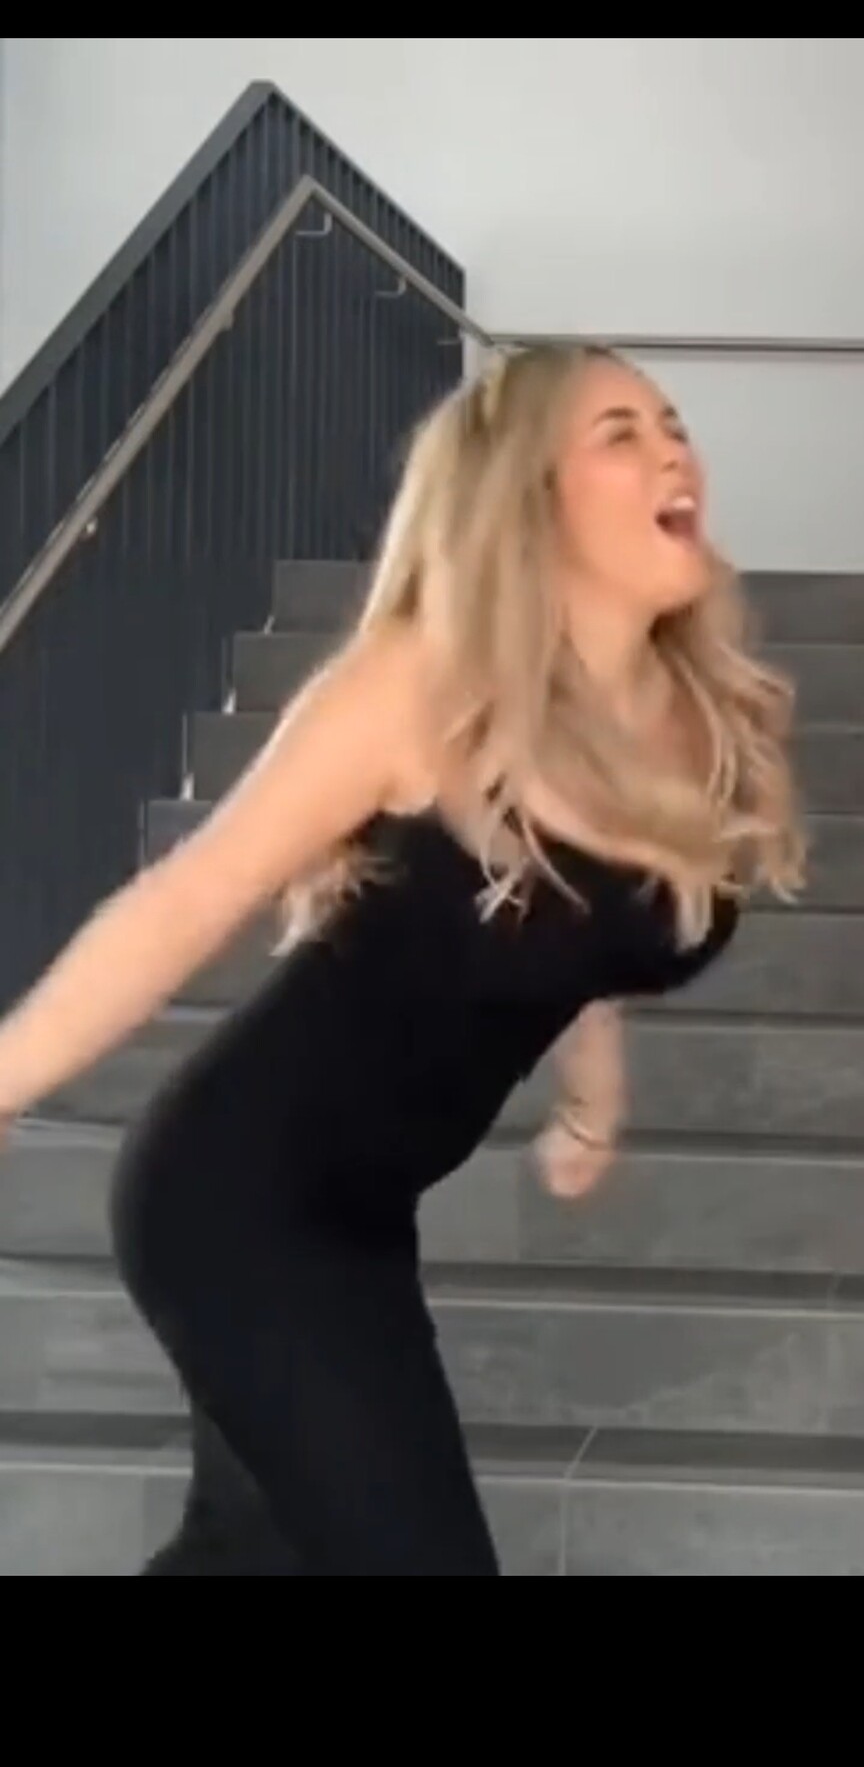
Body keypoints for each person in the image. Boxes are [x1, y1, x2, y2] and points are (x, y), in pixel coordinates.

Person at [0, 343, 804, 1576]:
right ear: (526, 496)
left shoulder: (690, 717)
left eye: (673, 424)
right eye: (620, 434)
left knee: (252, 1553)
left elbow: (561, 930)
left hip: (365, 1214)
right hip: (233, 1197)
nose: (673, 452)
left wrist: (591, 1091)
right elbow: (188, 896)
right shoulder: (419, 688)